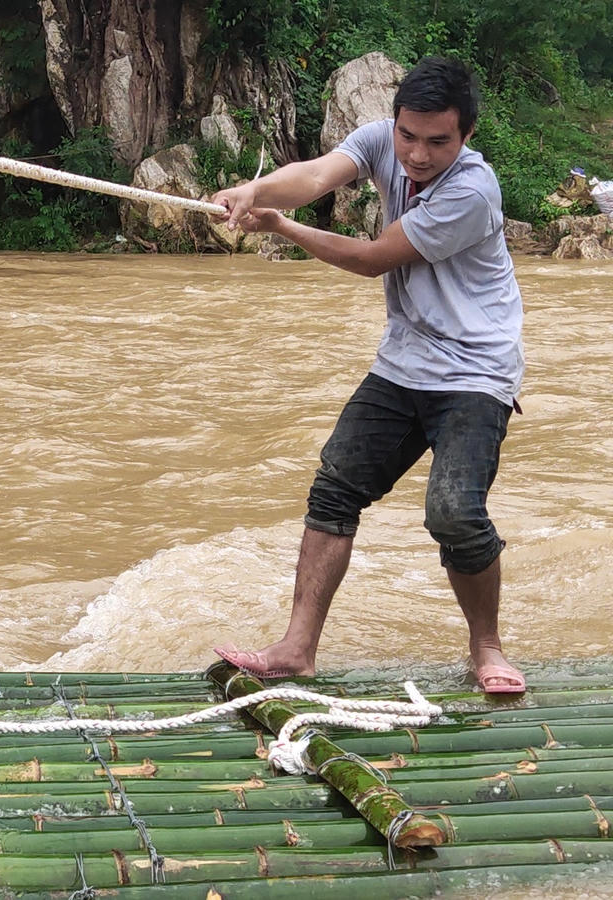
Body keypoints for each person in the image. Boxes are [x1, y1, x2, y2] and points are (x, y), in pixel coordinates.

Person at [208, 57, 526, 694]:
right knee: (334, 490)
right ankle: (297, 650)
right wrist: (255, 191)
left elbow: (374, 258)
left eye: (438, 141)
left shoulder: (472, 190)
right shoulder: (382, 140)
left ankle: (486, 648)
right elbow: (315, 176)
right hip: (404, 361)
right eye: (408, 135)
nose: (418, 154)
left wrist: (279, 226)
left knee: (454, 514)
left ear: (466, 135)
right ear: (395, 121)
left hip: (475, 371)